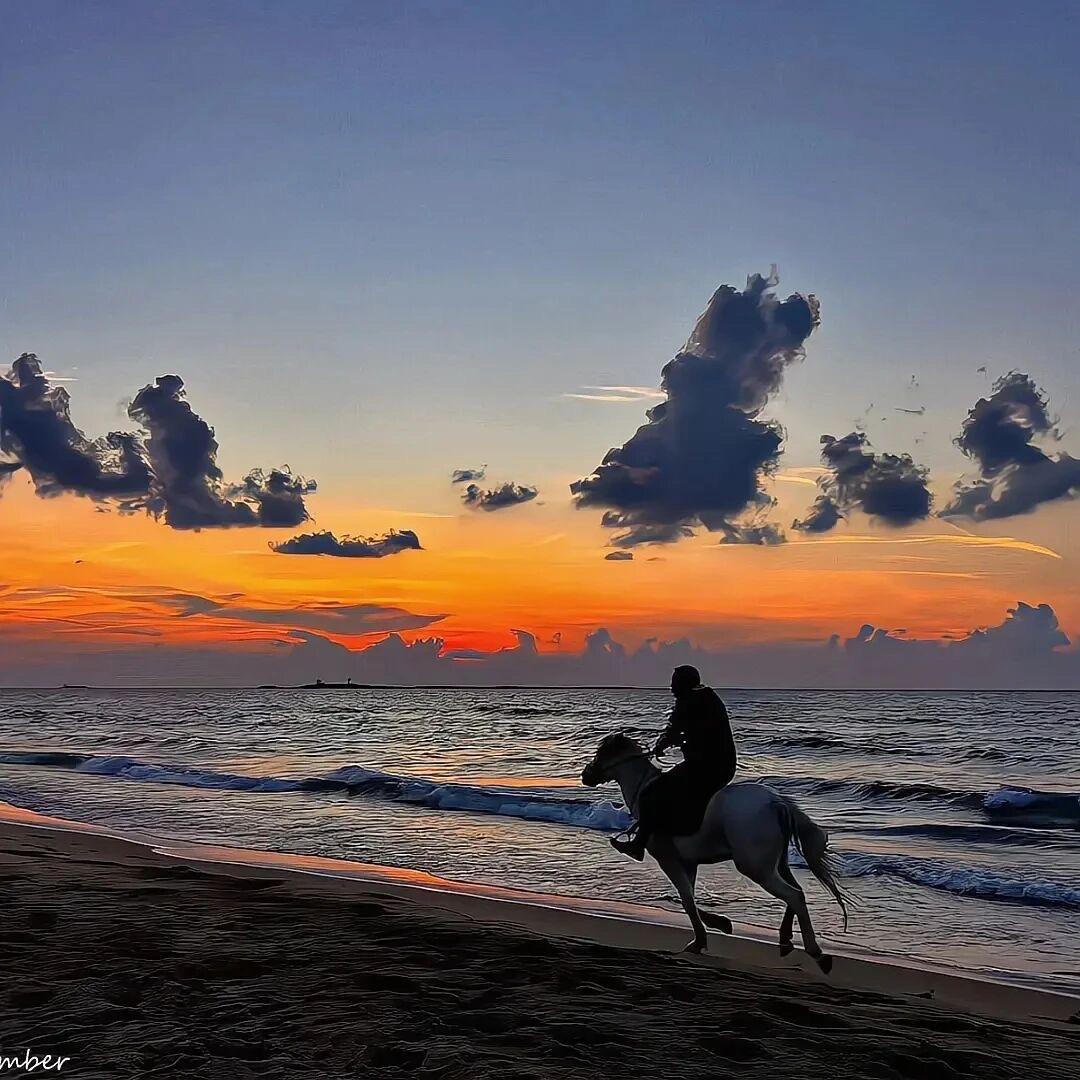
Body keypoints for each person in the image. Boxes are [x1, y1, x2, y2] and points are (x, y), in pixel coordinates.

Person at [610, 665, 737, 862]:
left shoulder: (688, 701)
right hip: (723, 765)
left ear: (683, 684)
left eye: (674, 683)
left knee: (650, 794)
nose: (671, 688)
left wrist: (661, 744)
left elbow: (674, 729)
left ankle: (638, 845)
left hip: (705, 767)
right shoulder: (708, 697)